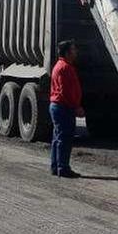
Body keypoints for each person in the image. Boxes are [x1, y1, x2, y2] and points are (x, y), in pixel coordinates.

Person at [49, 40, 84, 178]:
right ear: (68, 52)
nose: (76, 52)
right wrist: (76, 107)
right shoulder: (66, 68)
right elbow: (66, 92)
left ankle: (55, 166)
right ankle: (63, 167)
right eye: (74, 50)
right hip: (63, 107)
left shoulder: (59, 65)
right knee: (65, 138)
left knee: (57, 137)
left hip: (58, 106)